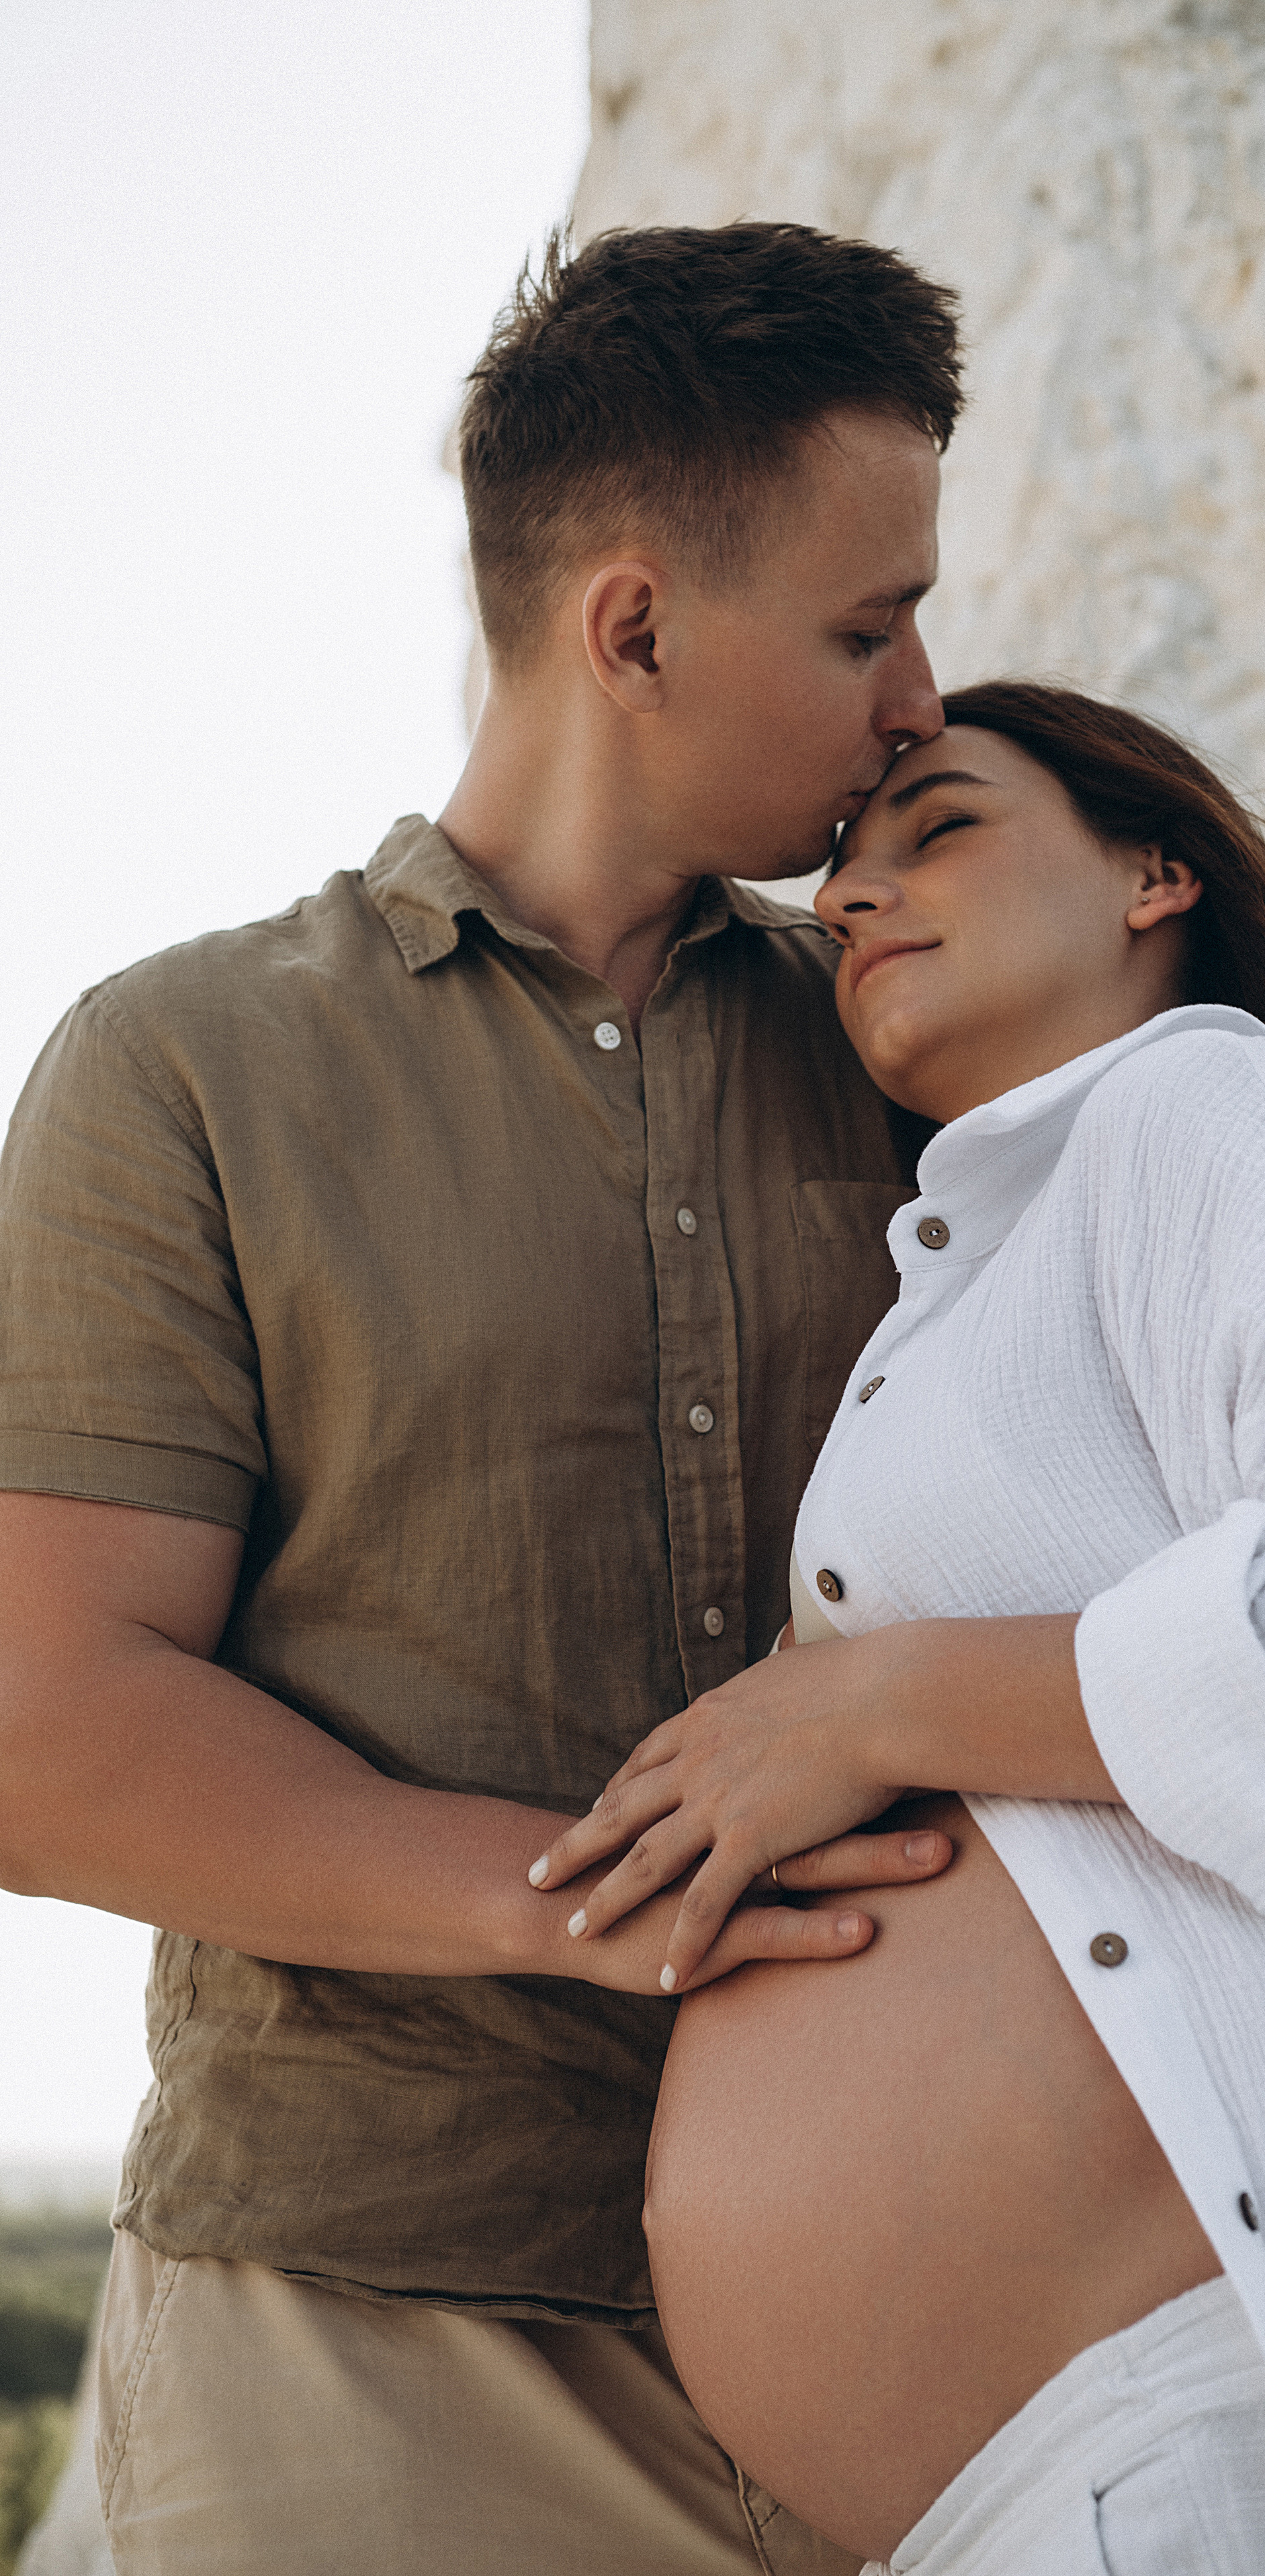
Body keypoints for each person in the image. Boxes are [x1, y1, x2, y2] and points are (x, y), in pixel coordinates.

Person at [0, 221, 979, 2576]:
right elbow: (44, 1727)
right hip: (373, 2336)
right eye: (866, 626)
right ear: (630, 623)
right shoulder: (186, 1068)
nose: (922, 697)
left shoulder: (932, 1063)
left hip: (929, 2315)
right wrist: (587, 1905)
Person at [537, 684, 1265, 2576]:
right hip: (1094, 2473)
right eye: (842, 870)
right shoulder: (1002, 1249)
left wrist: (886, 1704)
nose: (855, 893)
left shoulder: (1204, 1103)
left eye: (940, 827)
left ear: (1153, 873)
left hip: (1261, 2429)